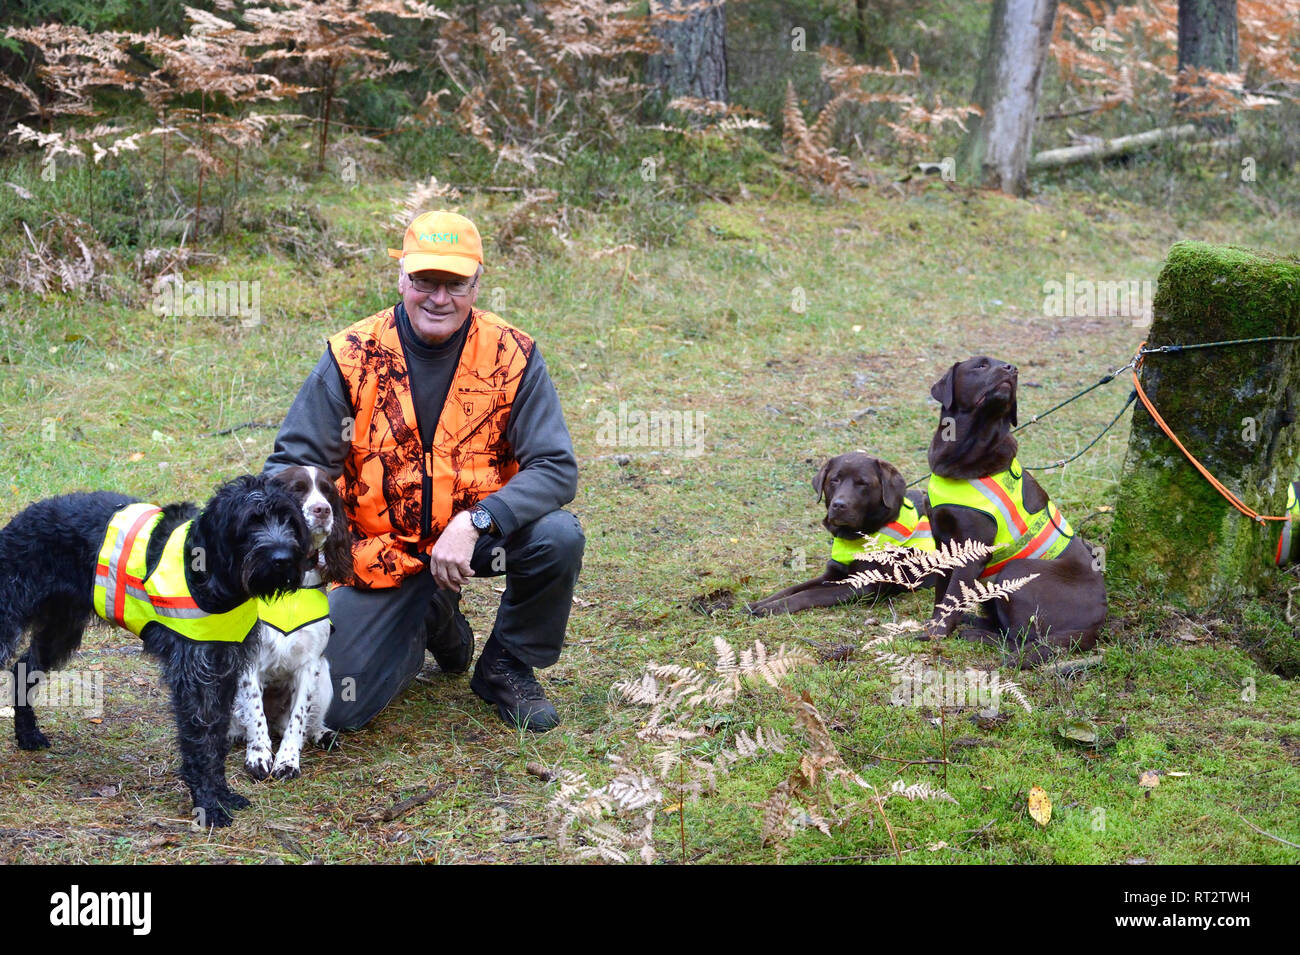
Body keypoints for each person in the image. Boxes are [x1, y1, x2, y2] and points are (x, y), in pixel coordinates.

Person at [264, 210, 583, 732]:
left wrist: (478, 521)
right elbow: (290, 467)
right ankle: (432, 615)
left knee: (557, 536)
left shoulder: (512, 355)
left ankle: (505, 665)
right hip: (378, 555)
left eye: (455, 283)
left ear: (477, 282)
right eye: (424, 281)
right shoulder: (353, 356)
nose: (439, 298)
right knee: (332, 710)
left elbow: (555, 466)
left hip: (478, 539)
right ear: (401, 277)